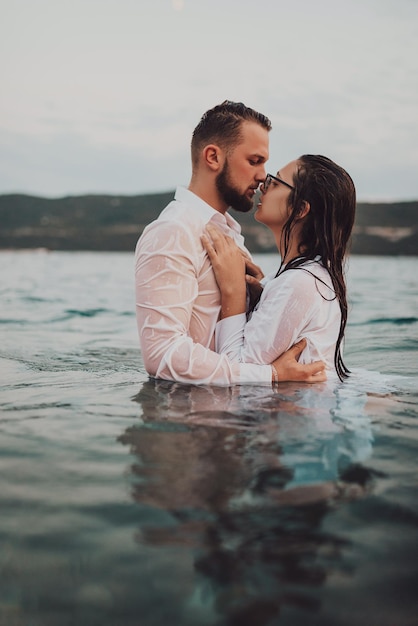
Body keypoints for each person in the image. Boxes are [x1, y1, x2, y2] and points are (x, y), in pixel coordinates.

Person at [135, 101, 326, 385]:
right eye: (254, 161)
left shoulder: (228, 235)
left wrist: (257, 297)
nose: (263, 177)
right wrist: (270, 376)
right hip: (188, 422)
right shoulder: (173, 231)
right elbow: (162, 355)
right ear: (213, 157)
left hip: (232, 419)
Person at [201, 155, 356, 382]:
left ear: (300, 208)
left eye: (275, 182)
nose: (263, 184)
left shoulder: (300, 282)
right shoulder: (308, 276)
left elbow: (236, 373)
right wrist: (262, 297)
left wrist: (232, 291)